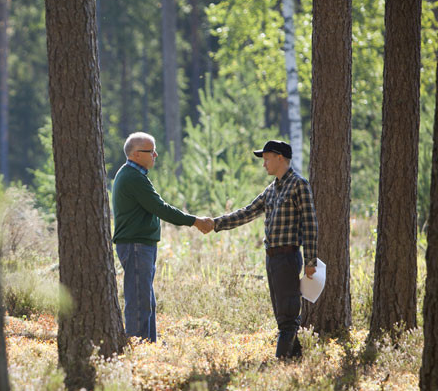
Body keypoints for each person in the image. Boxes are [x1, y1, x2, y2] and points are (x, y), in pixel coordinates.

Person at [208, 140, 318, 360]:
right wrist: (214, 223)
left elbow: (310, 224)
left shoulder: (299, 184)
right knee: (281, 313)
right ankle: (295, 360)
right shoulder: (271, 189)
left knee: (287, 314)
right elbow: (247, 212)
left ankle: (281, 362)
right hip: (272, 258)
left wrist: (310, 261)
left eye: (267, 158)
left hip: (288, 257)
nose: (264, 164)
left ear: (280, 158)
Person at [112, 132, 213, 342]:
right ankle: (137, 348)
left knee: (146, 300)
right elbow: (161, 208)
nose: (155, 155)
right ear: (137, 154)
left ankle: (149, 346)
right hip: (136, 245)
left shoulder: (134, 175)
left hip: (140, 245)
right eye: (151, 151)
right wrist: (195, 221)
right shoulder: (132, 177)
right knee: (139, 300)